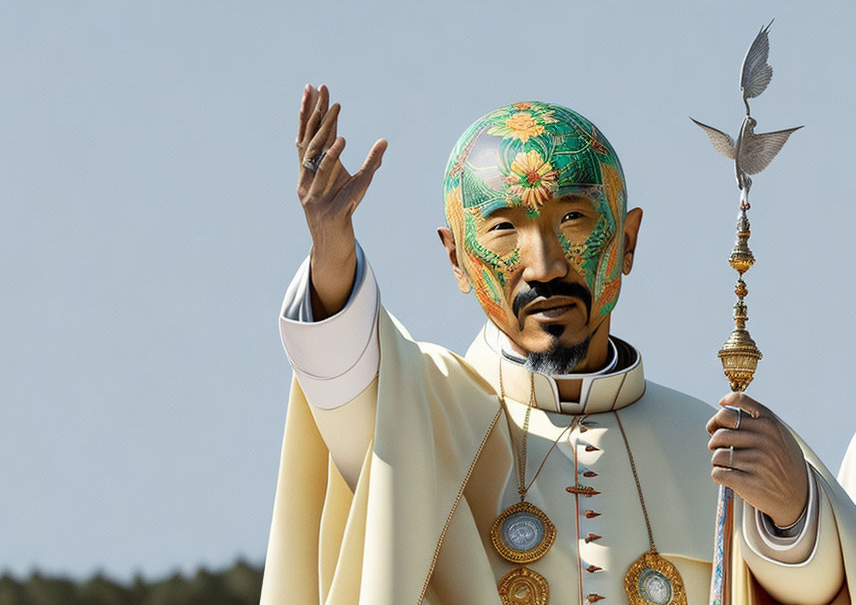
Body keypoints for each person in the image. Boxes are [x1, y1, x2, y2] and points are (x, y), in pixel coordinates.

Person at [262, 84, 856, 604]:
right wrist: (332, 254)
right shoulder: (422, 411)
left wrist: (795, 516)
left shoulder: (714, 446)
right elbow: (339, 369)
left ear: (627, 240)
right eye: (503, 229)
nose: (544, 267)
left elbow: (823, 589)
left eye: (573, 219)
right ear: (456, 258)